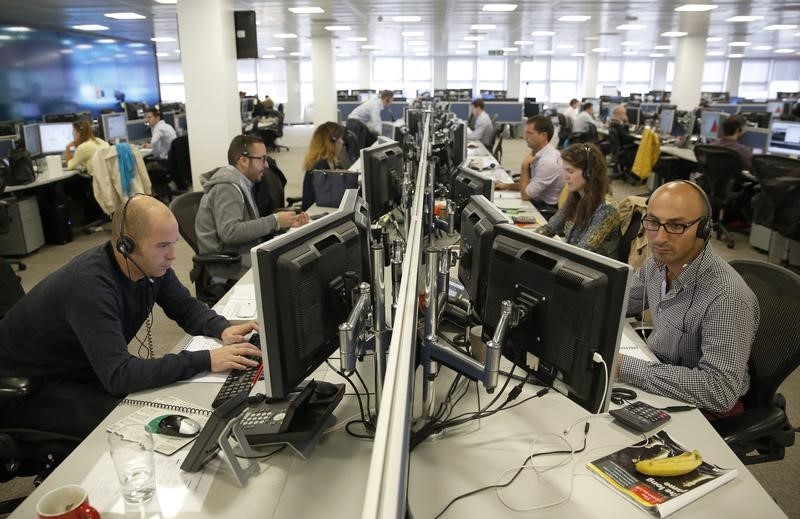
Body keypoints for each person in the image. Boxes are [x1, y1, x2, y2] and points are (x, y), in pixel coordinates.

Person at [0, 194, 264, 438]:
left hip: (81, 362)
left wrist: (221, 329)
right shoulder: (90, 287)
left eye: (173, 244)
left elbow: (185, 307)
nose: (172, 256)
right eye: (162, 246)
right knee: (131, 427)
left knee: (159, 400)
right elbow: (119, 375)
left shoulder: (150, 266)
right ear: (125, 245)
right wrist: (206, 359)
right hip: (31, 384)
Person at [617, 180, 760, 416]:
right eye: (653, 222)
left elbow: (720, 391)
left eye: (676, 226)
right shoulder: (658, 262)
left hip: (703, 408)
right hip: (660, 372)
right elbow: (620, 300)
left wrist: (622, 366)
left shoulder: (727, 298)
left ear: (704, 229)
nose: (659, 238)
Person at [196, 135, 309, 282]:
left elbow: (248, 226)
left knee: (293, 260)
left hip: (243, 251)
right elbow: (230, 232)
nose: (267, 165)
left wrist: (284, 224)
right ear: (243, 160)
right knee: (289, 274)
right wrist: (274, 221)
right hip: (229, 265)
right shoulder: (227, 187)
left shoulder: (242, 182)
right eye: (262, 159)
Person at [537, 143, 620, 258]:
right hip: (576, 266)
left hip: (596, 272)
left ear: (589, 173)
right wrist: (531, 239)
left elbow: (583, 251)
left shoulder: (607, 209)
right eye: (564, 170)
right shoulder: (576, 197)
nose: (565, 177)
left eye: (570, 171)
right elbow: (549, 229)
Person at [496, 116, 564, 215]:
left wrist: (524, 166)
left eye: (529, 133)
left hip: (544, 211)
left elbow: (526, 195)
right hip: (536, 202)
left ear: (543, 136)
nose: (525, 137)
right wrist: (506, 186)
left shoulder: (548, 162)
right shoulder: (540, 153)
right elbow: (531, 184)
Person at [301, 122, 347, 211]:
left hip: (322, 209)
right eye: (340, 138)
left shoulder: (331, 161)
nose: (342, 142)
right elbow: (328, 196)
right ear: (332, 141)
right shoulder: (319, 166)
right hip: (315, 213)